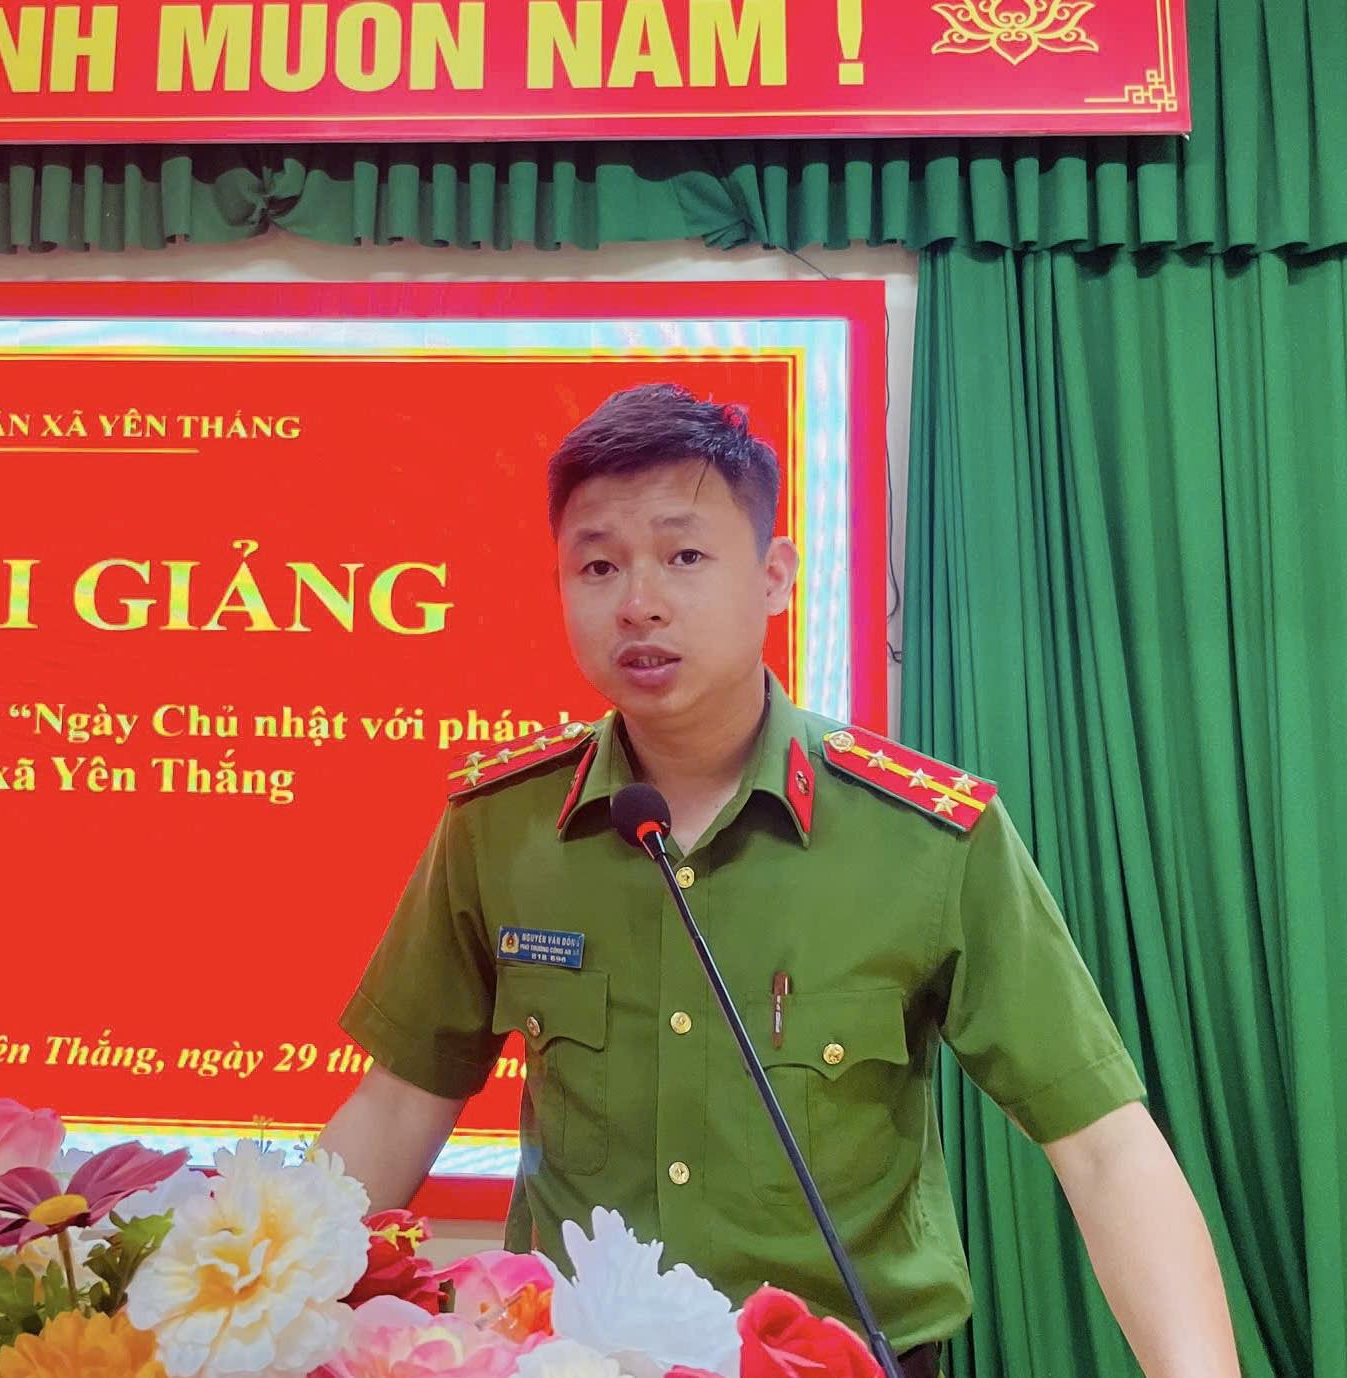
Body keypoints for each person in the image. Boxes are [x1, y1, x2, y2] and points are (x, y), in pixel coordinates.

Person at [317, 384, 1240, 1377]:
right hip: (572, 1358)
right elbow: (400, 1103)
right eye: (598, 564)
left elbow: (1102, 1146)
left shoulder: (925, 838)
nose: (638, 602)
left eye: (684, 556)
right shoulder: (500, 827)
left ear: (774, 577)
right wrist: (261, 1304)